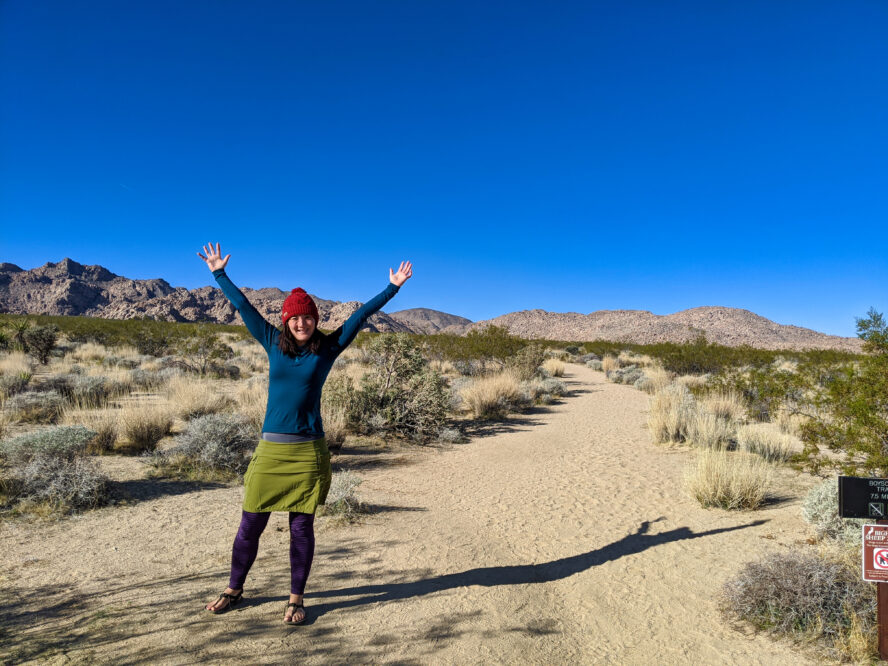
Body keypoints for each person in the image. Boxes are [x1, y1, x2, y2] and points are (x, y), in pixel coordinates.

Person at [197, 242, 412, 624]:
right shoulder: (272, 343)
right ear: (285, 320)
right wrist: (218, 274)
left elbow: (359, 316)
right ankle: (234, 588)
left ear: (315, 320)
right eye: (294, 318)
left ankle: (296, 598)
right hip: (271, 452)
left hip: (307, 453)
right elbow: (244, 307)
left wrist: (391, 288)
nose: (301, 323)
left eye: (307, 318)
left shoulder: (326, 349)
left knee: (301, 527)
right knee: (250, 525)